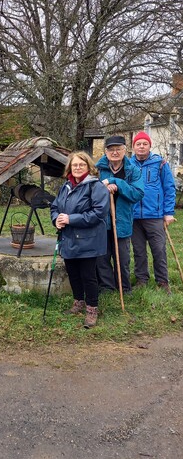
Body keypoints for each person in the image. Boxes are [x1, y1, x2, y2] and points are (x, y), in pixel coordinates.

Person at [50, 152, 110, 328]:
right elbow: (55, 206)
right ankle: (78, 302)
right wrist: (57, 220)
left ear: (88, 167)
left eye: (81, 165)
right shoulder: (66, 186)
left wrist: (70, 219)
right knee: (73, 273)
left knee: (88, 276)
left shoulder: (95, 186)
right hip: (68, 238)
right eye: (74, 165)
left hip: (88, 240)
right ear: (69, 168)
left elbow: (99, 213)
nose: (77, 168)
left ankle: (92, 309)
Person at [96, 135, 144, 295]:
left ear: (125, 150)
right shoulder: (97, 169)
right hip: (102, 220)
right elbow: (92, 192)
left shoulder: (133, 170)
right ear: (105, 151)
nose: (115, 152)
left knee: (122, 258)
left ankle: (124, 287)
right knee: (102, 257)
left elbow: (137, 193)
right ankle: (106, 287)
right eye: (111, 149)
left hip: (122, 220)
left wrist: (116, 183)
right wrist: (104, 188)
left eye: (118, 149)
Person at [130, 131, 176, 294]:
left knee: (158, 249)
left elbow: (169, 188)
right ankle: (142, 279)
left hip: (155, 215)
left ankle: (162, 281)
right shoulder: (128, 164)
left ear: (150, 146)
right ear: (133, 147)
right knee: (138, 250)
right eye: (138, 144)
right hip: (134, 216)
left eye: (145, 144)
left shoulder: (160, 163)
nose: (141, 146)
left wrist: (168, 212)